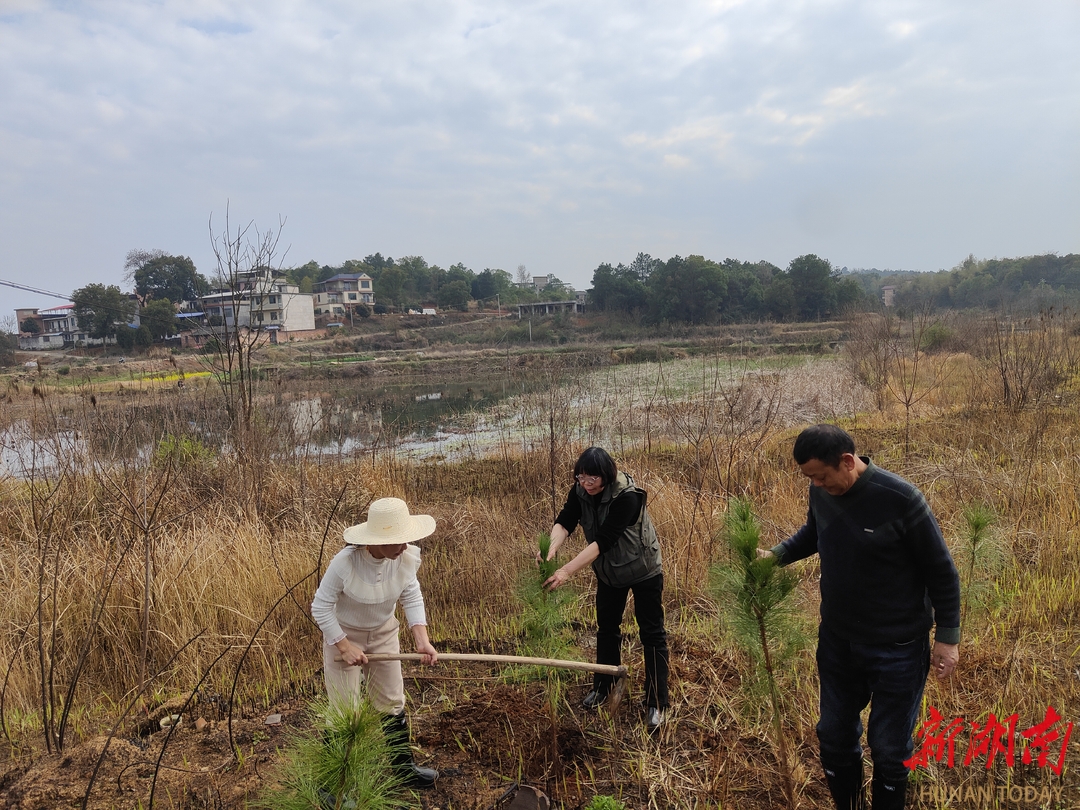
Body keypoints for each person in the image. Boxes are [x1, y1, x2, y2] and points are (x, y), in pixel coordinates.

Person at [764, 425, 960, 810]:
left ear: (848, 461)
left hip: (898, 647)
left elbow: (941, 570)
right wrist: (775, 556)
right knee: (834, 737)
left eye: (821, 476)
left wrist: (948, 637)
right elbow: (814, 533)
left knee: (889, 747)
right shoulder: (821, 492)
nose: (817, 485)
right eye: (810, 479)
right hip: (838, 641)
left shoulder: (901, 499)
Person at [311, 497, 440, 788]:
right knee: (347, 714)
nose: (404, 546)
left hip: (383, 633)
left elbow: (411, 594)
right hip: (343, 636)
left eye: (406, 539)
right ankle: (333, 785)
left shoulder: (404, 558)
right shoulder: (345, 563)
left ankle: (403, 769)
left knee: (392, 701)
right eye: (398, 540)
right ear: (378, 539)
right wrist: (344, 647)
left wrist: (422, 640)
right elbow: (320, 607)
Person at [541, 447, 669, 732]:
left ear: (607, 476)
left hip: (643, 569)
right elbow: (565, 521)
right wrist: (549, 550)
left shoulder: (629, 497)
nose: (586, 484)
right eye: (581, 477)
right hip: (610, 573)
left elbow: (603, 540)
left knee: (652, 633)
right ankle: (603, 685)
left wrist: (565, 571)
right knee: (607, 628)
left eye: (592, 478)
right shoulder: (580, 491)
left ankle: (656, 703)